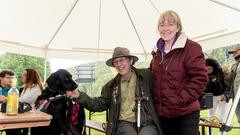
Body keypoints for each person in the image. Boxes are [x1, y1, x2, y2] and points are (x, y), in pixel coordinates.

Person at [66, 47, 162, 135]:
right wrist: (79, 95)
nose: (119, 64)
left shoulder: (146, 76)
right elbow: (99, 104)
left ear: (130, 61)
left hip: (147, 122)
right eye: (115, 62)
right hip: (124, 123)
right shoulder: (110, 86)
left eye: (122, 60)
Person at [150, 10, 208, 135]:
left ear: (178, 27)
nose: (165, 28)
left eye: (170, 24)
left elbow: (200, 79)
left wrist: (179, 100)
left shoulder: (191, 48)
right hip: (163, 114)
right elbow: (152, 77)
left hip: (185, 112)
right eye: (162, 25)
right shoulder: (156, 53)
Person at [205, 58, 229, 123]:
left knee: (222, 117)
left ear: (214, 67)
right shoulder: (204, 74)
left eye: (209, 68)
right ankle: (210, 133)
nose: (207, 71)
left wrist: (225, 95)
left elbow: (227, 85)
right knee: (210, 117)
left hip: (222, 96)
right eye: (206, 69)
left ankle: (222, 132)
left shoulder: (221, 72)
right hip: (210, 97)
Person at [226, 46, 240, 124]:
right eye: (233, 53)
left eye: (236, 52)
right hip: (236, 97)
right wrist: (226, 74)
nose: (234, 54)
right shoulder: (235, 65)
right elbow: (230, 82)